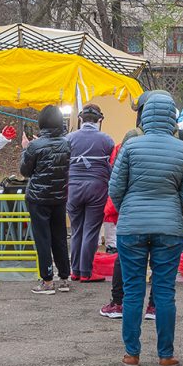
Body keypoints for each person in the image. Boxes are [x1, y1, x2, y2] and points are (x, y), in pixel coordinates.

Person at [109, 92, 183, 366]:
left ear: (145, 115)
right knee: (164, 292)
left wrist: (129, 209)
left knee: (133, 291)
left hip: (132, 226)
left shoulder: (131, 146)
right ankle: (165, 355)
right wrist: (173, 210)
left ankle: (132, 354)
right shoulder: (182, 149)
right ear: (173, 116)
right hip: (168, 228)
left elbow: (115, 189)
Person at [20, 105, 71, 294]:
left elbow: (25, 171)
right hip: (59, 196)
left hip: (38, 198)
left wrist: (25, 149)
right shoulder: (67, 143)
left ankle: (47, 281)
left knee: (43, 239)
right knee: (59, 237)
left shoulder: (35, 146)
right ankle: (64, 277)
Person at [66, 104, 115, 282]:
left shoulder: (69, 138)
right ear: (99, 119)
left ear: (80, 118)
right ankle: (86, 272)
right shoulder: (106, 140)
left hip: (73, 188)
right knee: (91, 230)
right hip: (97, 187)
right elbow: (111, 165)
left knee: (77, 229)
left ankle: (75, 270)